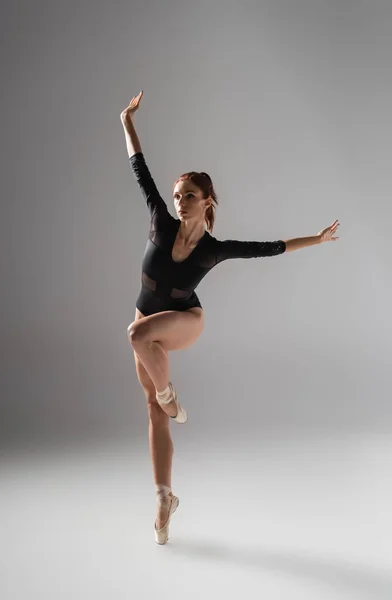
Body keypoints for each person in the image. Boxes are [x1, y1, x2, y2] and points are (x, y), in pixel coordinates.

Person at [121, 91, 340, 544]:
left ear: (207, 201)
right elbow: (139, 167)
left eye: (190, 196)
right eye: (178, 195)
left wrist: (315, 240)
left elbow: (269, 248)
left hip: (183, 321)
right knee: (151, 404)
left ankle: (170, 394)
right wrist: (127, 121)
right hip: (147, 318)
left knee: (137, 336)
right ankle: (165, 497)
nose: (180, 202)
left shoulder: (214, 248)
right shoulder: (159, 221)